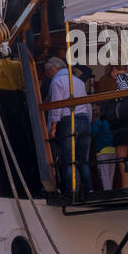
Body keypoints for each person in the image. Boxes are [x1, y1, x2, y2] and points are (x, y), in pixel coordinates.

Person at [46, 57, 93, 195]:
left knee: (68, 160)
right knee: (82, 160)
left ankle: (71, 191)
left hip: (68, 121)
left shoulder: (56, 81)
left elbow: (56, 105)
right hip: (84, 120)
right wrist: (88, 121)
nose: (49, 76)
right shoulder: (78, 81)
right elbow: (87, 104)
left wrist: (53, 126)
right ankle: (89, 190)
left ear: (53, 69)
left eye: (48, 73)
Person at [92, 107, 115, 191]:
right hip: (113, 150)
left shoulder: (98, 122)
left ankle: (107, 193)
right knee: (110, 174)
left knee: (104, 175)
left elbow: (93, 133)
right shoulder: (110, 122)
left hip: (102, 151)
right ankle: (110, 190)